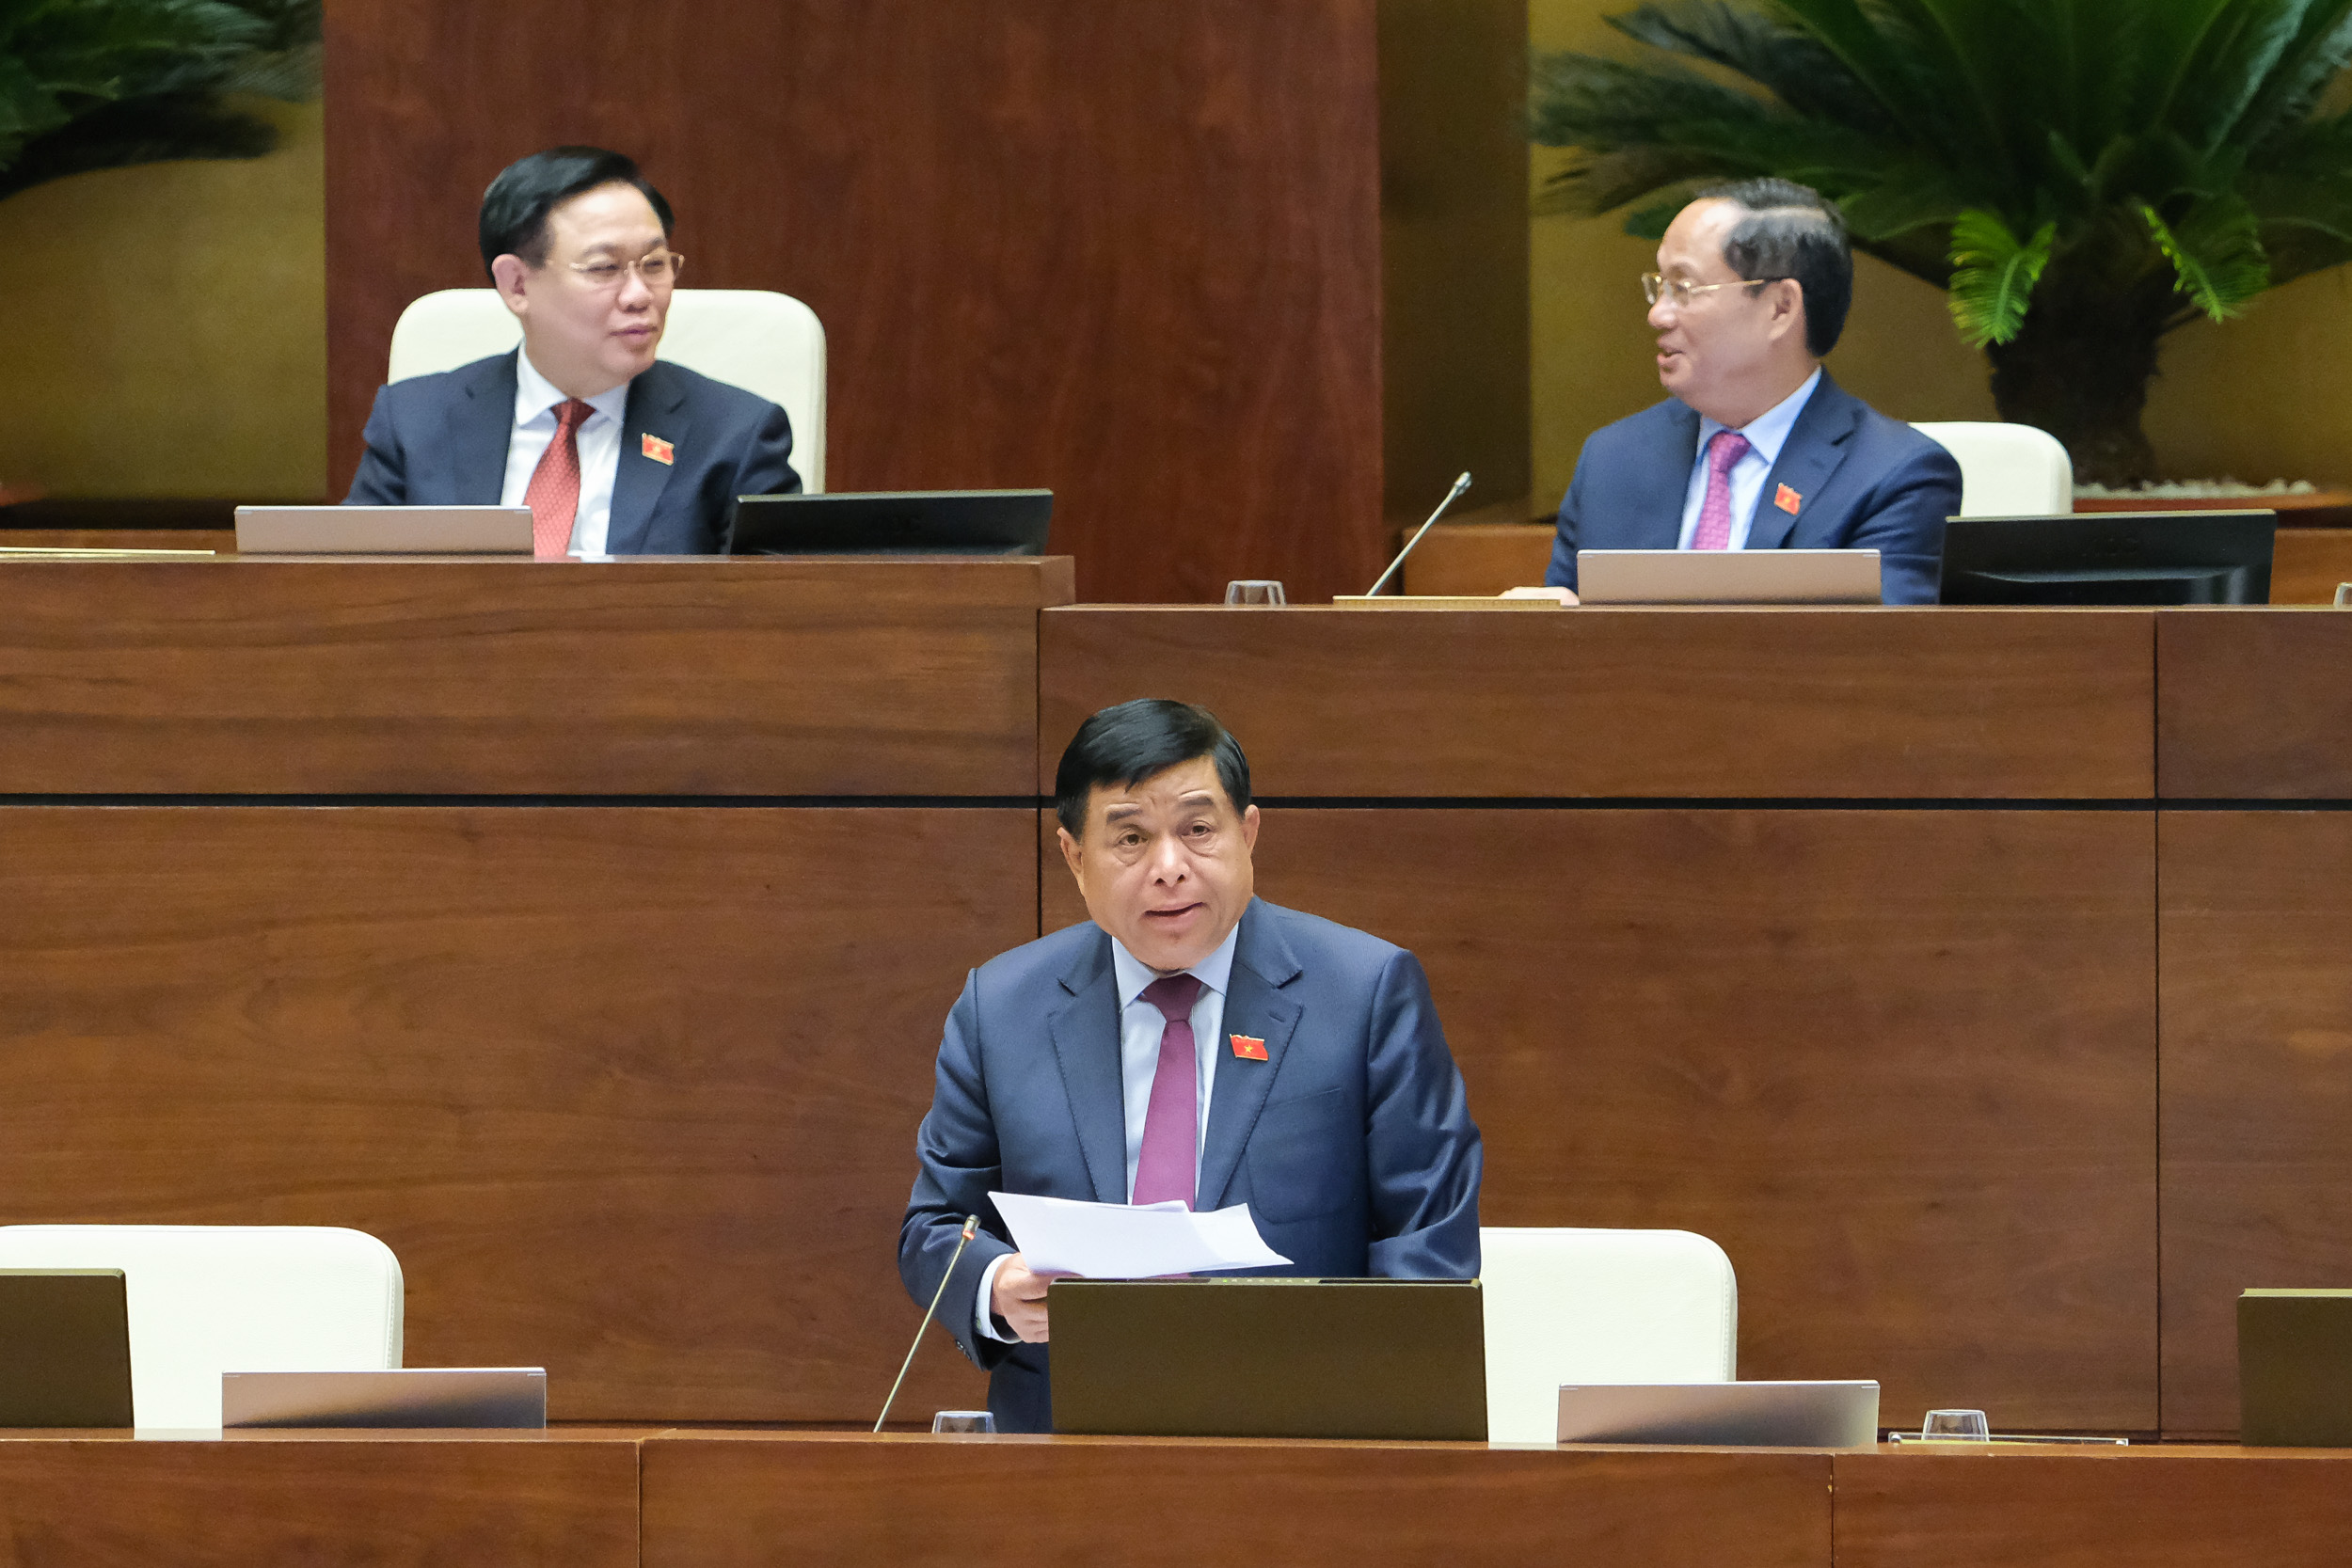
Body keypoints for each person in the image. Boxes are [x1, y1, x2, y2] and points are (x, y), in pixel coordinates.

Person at [898, 699, 1483, 1433]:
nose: (1170, 868)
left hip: (1301, 1448)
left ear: (1248, 832)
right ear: (1074, 856)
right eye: (1131, 838)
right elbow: (936, 1226)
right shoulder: (1001, 1008)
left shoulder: (1365, 993)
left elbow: (1428, 1249)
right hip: (1060, 1452)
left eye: (1198, 830)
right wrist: (993, 1281)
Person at [345, 147, 800, 556]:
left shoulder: (735, 436)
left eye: (655, 264)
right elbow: (350, 587)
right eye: (604, 268)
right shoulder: (414, 423)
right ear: (517, 285)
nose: (639, 295)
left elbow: (778, 605)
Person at [1545, 178, 1961, 606]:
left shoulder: (1896, 478)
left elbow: (1878, 643)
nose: (1658, 314)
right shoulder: (1612, 460)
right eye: (1659, 286)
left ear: (1780, 308)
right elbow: (1557, 626)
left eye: (1683, 289)